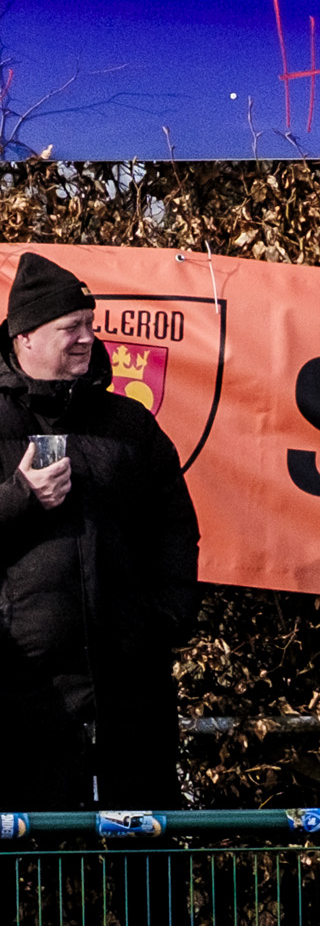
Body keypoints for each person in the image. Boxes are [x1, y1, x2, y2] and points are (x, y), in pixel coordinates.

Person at [0, 254, 201, 806]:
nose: (87, 338)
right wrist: (19, 498)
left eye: (90, 324)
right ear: (26, 338)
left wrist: (163, 620)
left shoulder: (130, 424)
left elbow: (176, 530)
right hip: (18, 699)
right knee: (27, 875)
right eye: (71, 328)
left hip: (129, 696)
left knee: (146, 872)